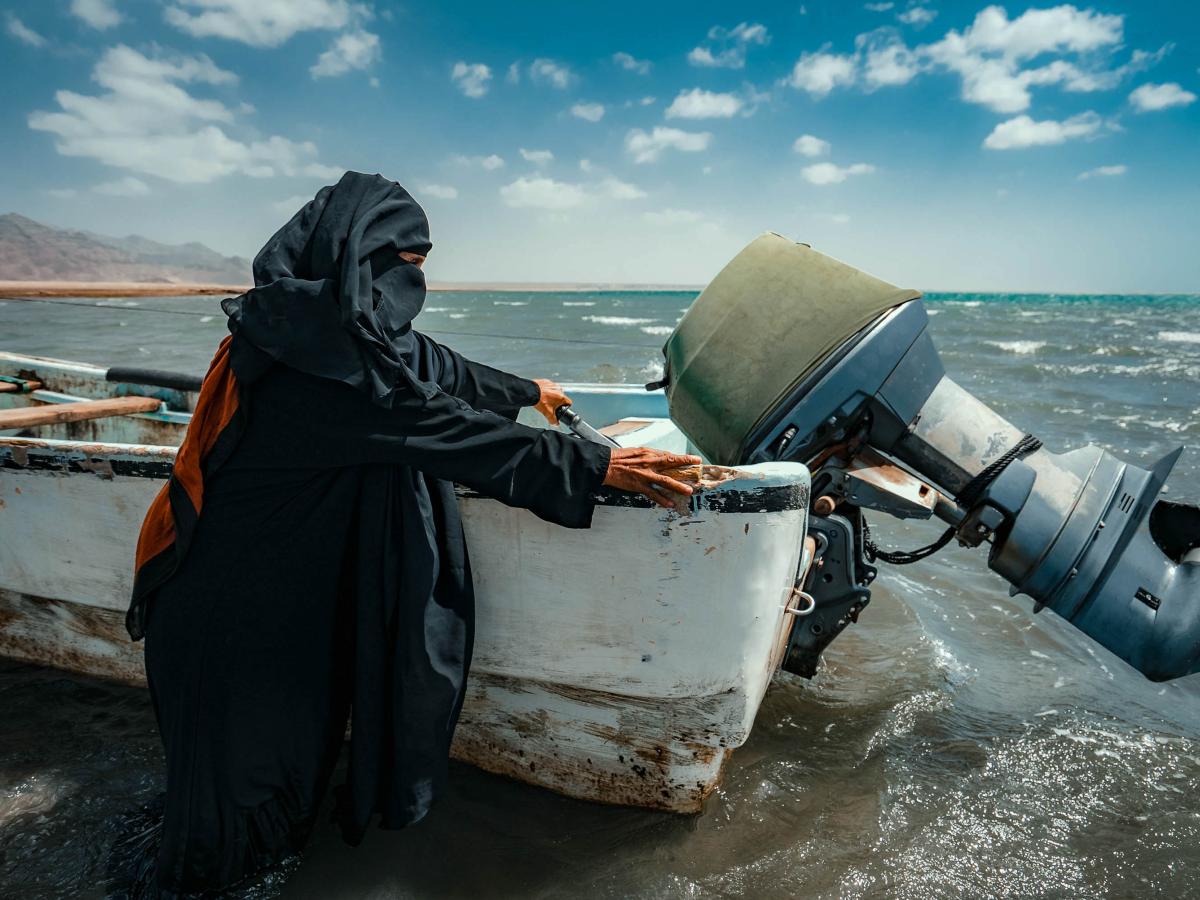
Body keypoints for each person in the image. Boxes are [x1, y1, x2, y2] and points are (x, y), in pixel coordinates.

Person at [125, 171, 701, 895]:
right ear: (362, 261)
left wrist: (528, 393)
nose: (411, 287)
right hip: (226, 628)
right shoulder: (324, 369)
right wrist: (596, 464)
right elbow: (445, 430)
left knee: (271, 808)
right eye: (407, 268)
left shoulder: (301, 324)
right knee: (224, 840)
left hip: (266, 615)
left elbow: (433, 366)